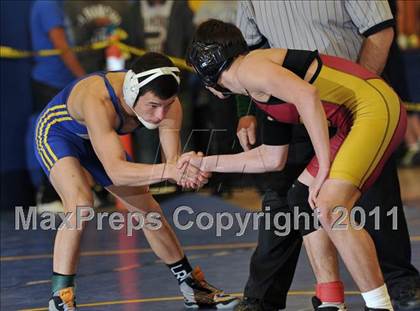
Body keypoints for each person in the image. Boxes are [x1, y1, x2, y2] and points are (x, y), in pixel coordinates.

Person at [184, 19, 407, 311]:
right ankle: (330, 300)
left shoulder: (251, 68)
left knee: (329, 206)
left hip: (373, 109)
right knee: (301, 198)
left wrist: (323, 167)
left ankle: (379, 306)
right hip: (352, 119)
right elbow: (271, 158)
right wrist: (205, 162)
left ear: (207, 68)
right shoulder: (259, 86)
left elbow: (307, 95)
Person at [234, 1, 420, 310]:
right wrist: (245, 112)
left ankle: (400, 285)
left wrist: (357, 94)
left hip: (353, 102)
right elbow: (245, 54)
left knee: (376, 199)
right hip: (292, 107)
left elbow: (380, 32)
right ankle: (266, 298)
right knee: (286, 199)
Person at [33, 51, 238, 310]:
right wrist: (171, 171)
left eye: (166, 105)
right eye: (152, 106)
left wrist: (188, 170)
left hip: (98, 141)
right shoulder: (99, 99)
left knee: (149, 210)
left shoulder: (169, 105)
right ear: (132, 91)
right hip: (58, 133)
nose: (159, 115)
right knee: (80, 204)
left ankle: (192, 288)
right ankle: (60, 299)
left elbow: (172, 164)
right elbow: (118, 171)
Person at [29, 0, 86, 209]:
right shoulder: (48, 5)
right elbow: (61, 45)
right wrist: (84, 79)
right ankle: (48, 196)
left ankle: (68, 194)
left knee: (71, 141)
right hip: (51, 83)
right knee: (52, 140)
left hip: (62, 84)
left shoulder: (61, 5)